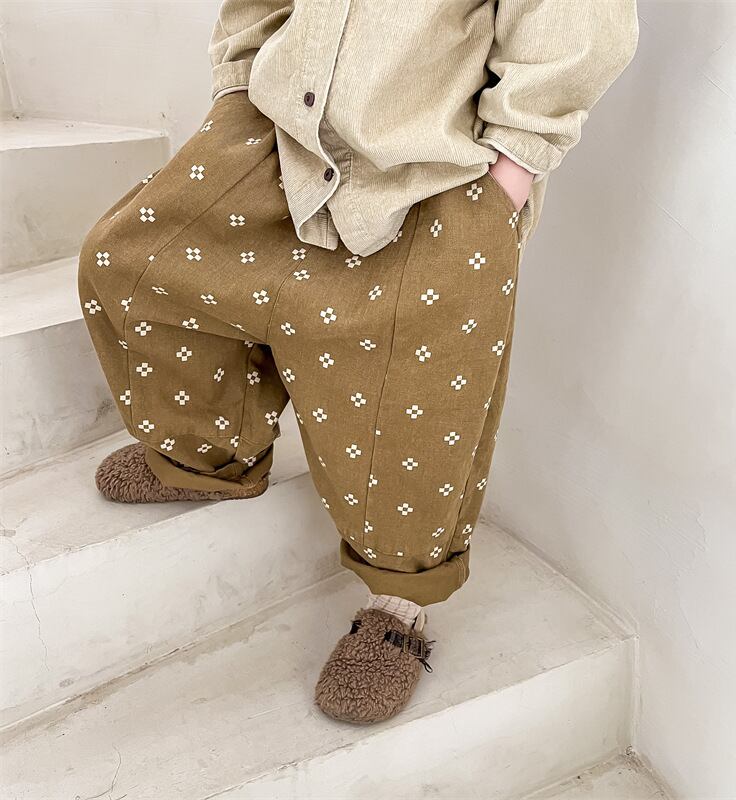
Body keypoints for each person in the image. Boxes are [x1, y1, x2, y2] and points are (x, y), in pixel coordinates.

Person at [78, 0, 638, 725]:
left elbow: (574, 20)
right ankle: (209, 452)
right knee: (130, 265)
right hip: (272, 127)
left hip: (435, 169)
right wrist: (237, 85)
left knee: (415, 391)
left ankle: (399, 606)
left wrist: (508, 175)